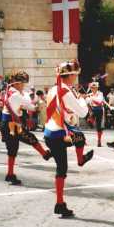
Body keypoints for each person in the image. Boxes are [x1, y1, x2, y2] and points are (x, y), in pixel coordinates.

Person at [44, 60, 93, 218]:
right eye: (75, 75)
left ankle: (81, 159)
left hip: (50, 133)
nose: (76, 78)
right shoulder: (67, 92)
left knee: (79, 137)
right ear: (70, 75)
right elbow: (83, 113)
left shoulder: (54, 89)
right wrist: (82, 99)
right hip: (59, 135)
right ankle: (59, 204)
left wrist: (76, 96)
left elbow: (62, 110)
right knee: (62, 170)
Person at [1, 71, 52, 186]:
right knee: (26, 141)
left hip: (9, 123)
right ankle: (44, 154)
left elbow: (25, 104)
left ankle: (10, 174)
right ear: (16, 83)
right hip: (12, 124)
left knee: (13, 149)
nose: (23, 85)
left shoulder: (10, 91)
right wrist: (39, 104)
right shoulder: (16, 95)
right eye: (22, 83)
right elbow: (30, 106)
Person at [86, 81, 105, 147]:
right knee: (88, 120)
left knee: (99, 126)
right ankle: (91, 121)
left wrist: (91, 97)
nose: (92, 89)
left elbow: (99, 102)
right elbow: (87, 103)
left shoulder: (100, 94)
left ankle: (99, 141)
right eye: (91, 88)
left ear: (97, 88)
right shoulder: (89, 94)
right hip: (93, 109)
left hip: (99, 109)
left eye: (94, 87)